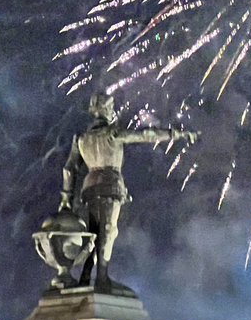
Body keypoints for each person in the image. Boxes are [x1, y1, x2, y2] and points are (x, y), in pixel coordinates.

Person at [60, 94, 197, 292]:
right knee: (108, 230)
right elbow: (146, 135)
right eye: (111, 107)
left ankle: (86, 276)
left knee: (93, 232)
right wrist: (175, 134)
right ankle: (102, 277)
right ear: (105, 110)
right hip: (110, 184)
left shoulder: (82, 138)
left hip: (89, 187)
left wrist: (66, 198)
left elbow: (69, 169)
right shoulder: (113, 133)